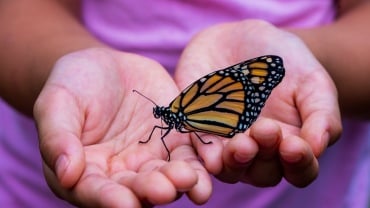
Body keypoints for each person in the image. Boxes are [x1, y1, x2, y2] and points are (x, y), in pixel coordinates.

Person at [0, 0, 368, 207]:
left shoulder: (184, 108)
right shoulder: (179, 113)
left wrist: (313, 59)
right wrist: (70, 66)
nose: (162, 116)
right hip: (37, 188)